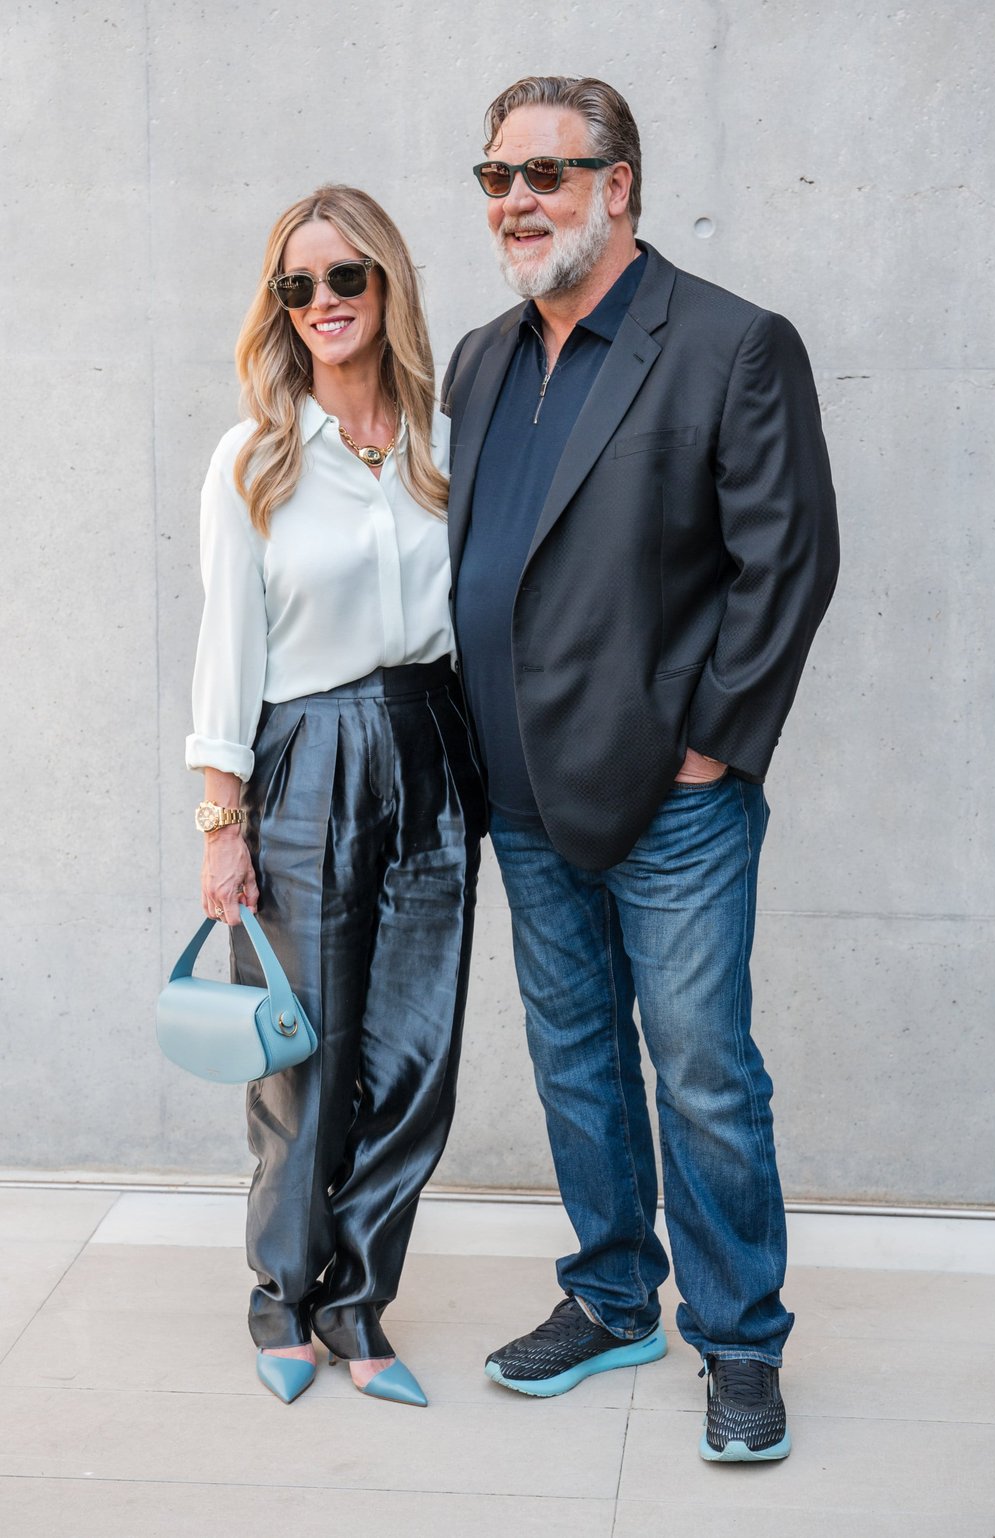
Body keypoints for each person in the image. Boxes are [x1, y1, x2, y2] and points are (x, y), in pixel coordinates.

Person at [443, 76, 839, 1460]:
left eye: (545, 174)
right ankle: (613, 1296)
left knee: (702, 1070)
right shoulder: (482, 359)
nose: (516, 201)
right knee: (575, 1059)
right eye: (496, 177)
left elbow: (787, 560)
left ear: (618, 185)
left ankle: (740, 1340)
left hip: (674, 802)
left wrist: (710, 749)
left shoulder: (730, 343)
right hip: (520, 791)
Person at [186, 184, 483, 1408]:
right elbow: (227, 650)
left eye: (345, 277)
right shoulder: (254, 456)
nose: (323, 302)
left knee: (417, 1053)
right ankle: (283, 1295)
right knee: (302, 1052)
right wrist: (223, 823)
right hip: (304, 752)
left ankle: (360, 1303)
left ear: (387, 283)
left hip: (434, 746)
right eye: (297, 285)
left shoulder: (447, 442)